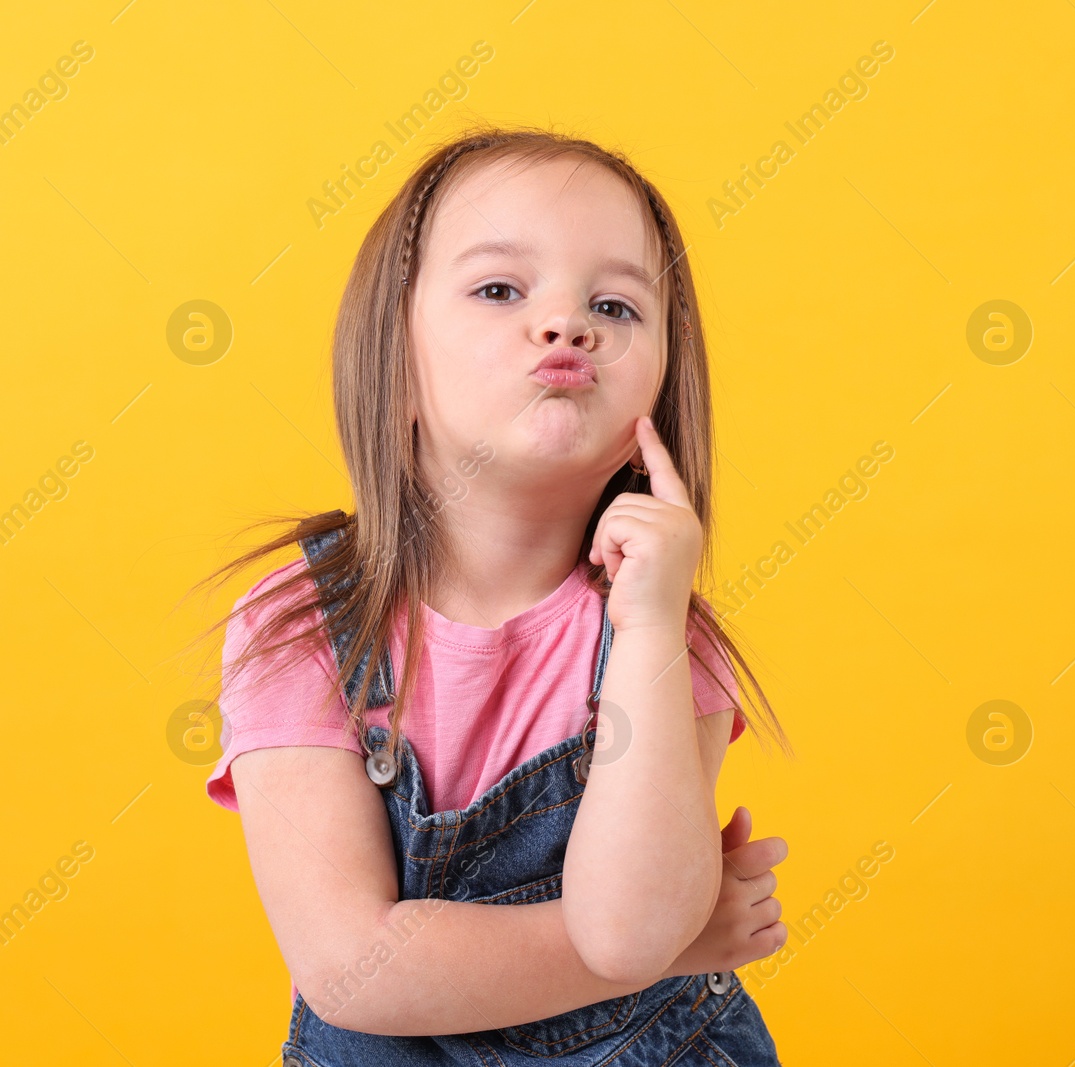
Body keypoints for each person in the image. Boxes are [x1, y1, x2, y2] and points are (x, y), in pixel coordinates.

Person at [191, 125, 793, 1064]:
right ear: (395, 356)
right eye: (499, 290)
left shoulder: (666, 635)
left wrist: (646, 625)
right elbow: (352, 966)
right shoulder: (307, 627)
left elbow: (633, 927)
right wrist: (670, 944)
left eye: (615, 304)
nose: (566, 324)